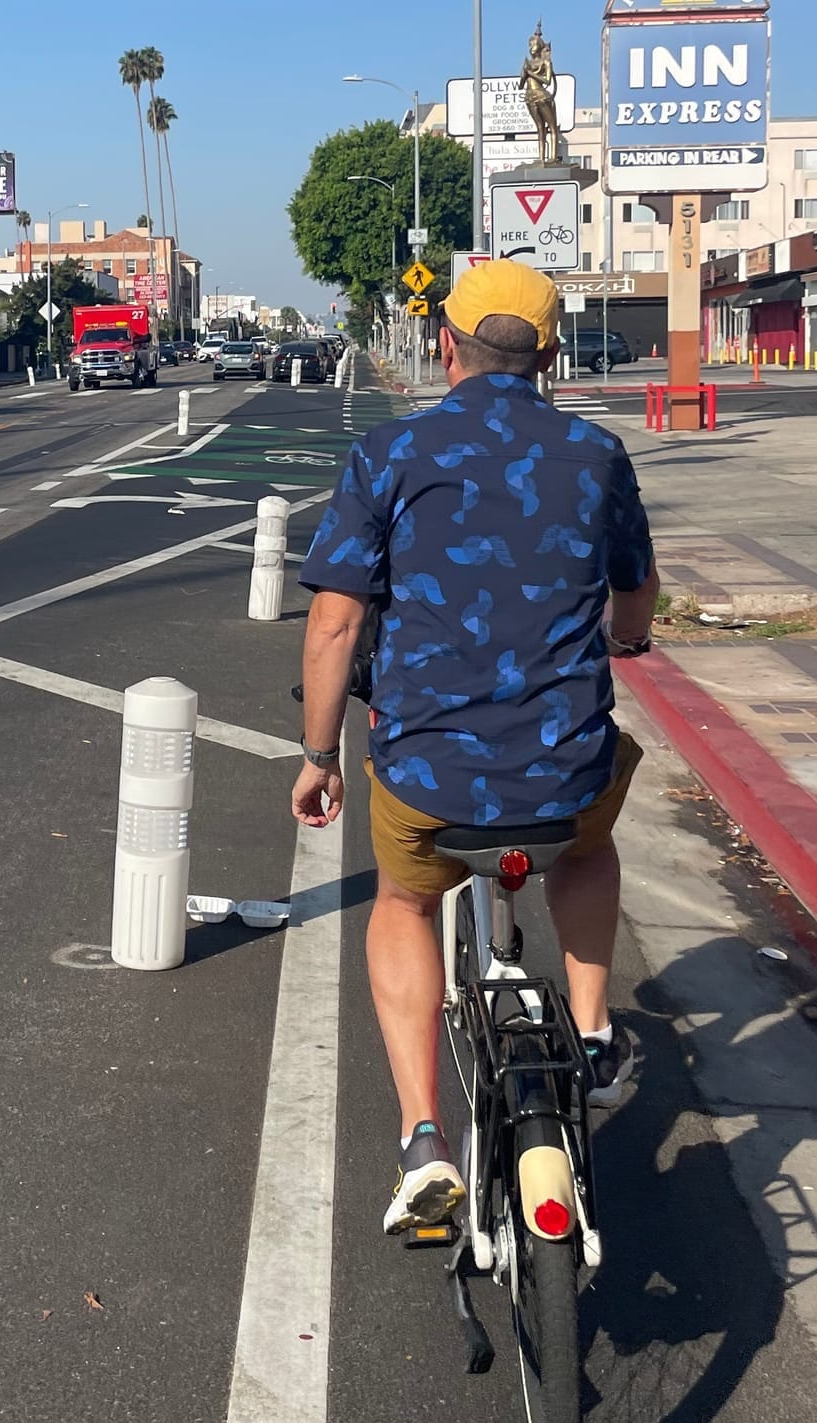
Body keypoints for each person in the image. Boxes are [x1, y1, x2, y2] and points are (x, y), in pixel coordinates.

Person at [291, 260, 660, 1235]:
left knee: (405, 900)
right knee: (585, 844)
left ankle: (423, 1138)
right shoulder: (595, 455)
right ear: (546, 355)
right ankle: (586, 1033)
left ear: (444, 343)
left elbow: (333, 626)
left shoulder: (390, 455)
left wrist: (318, 756)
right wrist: (625, 638)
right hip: (560, 769)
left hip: (427, 772)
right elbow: (634, 598)